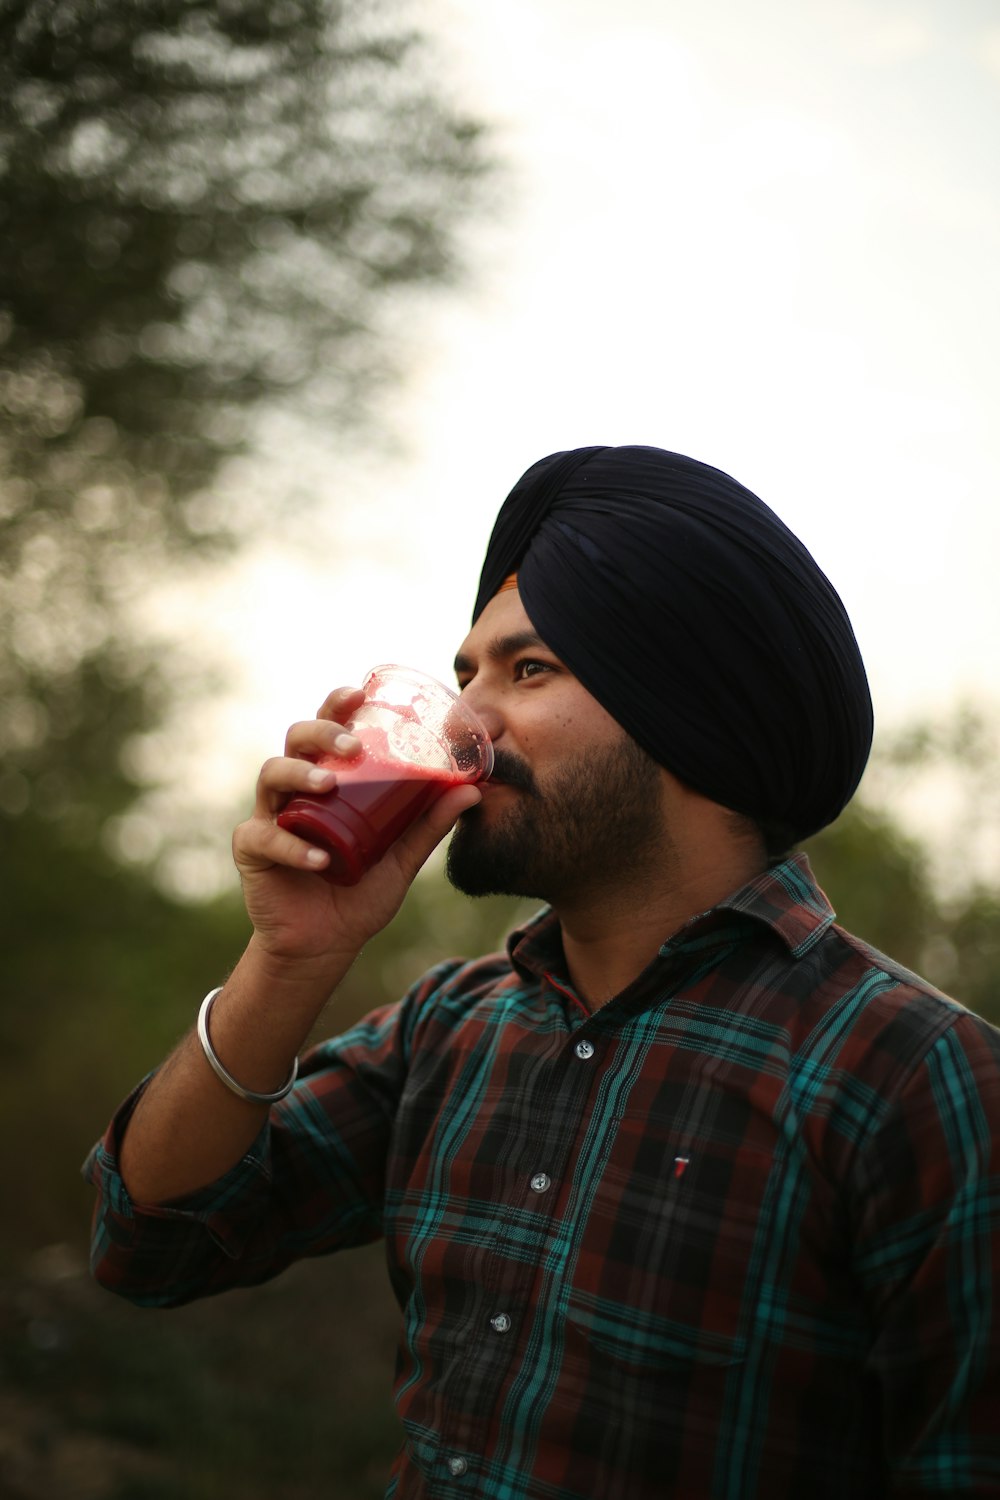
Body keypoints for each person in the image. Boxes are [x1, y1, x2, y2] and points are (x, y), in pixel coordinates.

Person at [85, 446, 1000, 1498]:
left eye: (528, 671)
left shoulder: (919, 1075)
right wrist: (292, 956)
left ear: (686, 711)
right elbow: (151, 1244)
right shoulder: (450, 1025)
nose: (465, 720)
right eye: (466, 673)